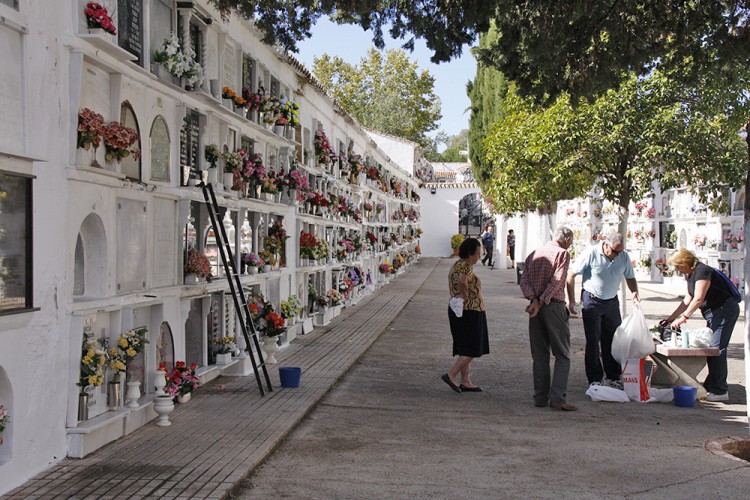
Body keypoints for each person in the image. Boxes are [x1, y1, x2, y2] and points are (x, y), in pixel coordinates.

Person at [662, 248, 739, 402]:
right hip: (713, 313)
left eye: (678, 266)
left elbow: (698, 298)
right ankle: (711, 385)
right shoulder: (690, 274)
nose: (677, 270)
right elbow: (687, 299)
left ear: (685, 262)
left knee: (717, 348)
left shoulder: (702, 271)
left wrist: (684, 318)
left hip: (723, 310)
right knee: (711, 347)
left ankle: (720, 390)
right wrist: (670, 318)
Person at [566, 232, 639, 389]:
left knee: (612, 340)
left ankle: (613, 376)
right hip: (592, 300)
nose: (617, 255)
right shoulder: (591, 253)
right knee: (593, 341)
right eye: (615, 251)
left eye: (620, 252)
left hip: (611, 302)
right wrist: (572, 301)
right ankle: (594, 378)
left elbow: (630, 277)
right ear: (606, 245)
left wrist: (634, 292)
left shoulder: (623, 257)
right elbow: (571, 276)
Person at [520, 226, 577, 411]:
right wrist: (542, 300)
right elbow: (558, 280)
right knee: (562, 354)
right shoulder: (562, 254)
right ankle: (558, 398)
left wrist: (534, 299)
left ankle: (540, 397)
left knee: (540, 354)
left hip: (535, 307)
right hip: (552, 306)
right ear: (567, 239)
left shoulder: (534, 253)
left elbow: (524, 280)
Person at [443, 237, 489, 393]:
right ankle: (452, 374)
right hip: (470, 310)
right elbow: (463, 281)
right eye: (477, 254)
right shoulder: (467, 267)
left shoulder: (456, 264)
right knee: (473, 347)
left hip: (457, 309)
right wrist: (466, 295)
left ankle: (466, 381)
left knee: (465, 345)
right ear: (470, 253)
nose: (478, 257)